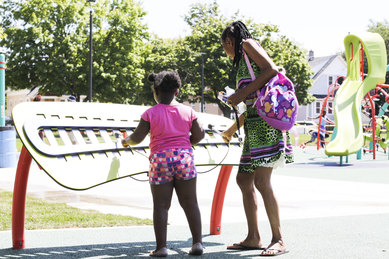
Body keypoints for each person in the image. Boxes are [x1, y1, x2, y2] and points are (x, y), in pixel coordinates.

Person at [220, 21, 293, 256]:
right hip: (253, 125)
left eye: (225, 46)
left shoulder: (248, 44)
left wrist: (241, 93)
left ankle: (278, 239)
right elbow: (253, 101)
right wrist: (234, 122)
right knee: (244, 180)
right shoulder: (242, 62)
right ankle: (253, 237)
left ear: (230, 41)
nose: (225, 51)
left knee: (262, 182)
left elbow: (271, 69)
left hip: (264, 126)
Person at [122, 71, 205, 257]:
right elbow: (199, 135)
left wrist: (126, 141)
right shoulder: (189, 111)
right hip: (184, 159)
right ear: (177, 91)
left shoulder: (150, 113)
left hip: (160, 160)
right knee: (191, 202)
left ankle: (161, 248)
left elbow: (137, 137)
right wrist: (184, 143)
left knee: (160, 205)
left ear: (156, 90)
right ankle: (197, 243)